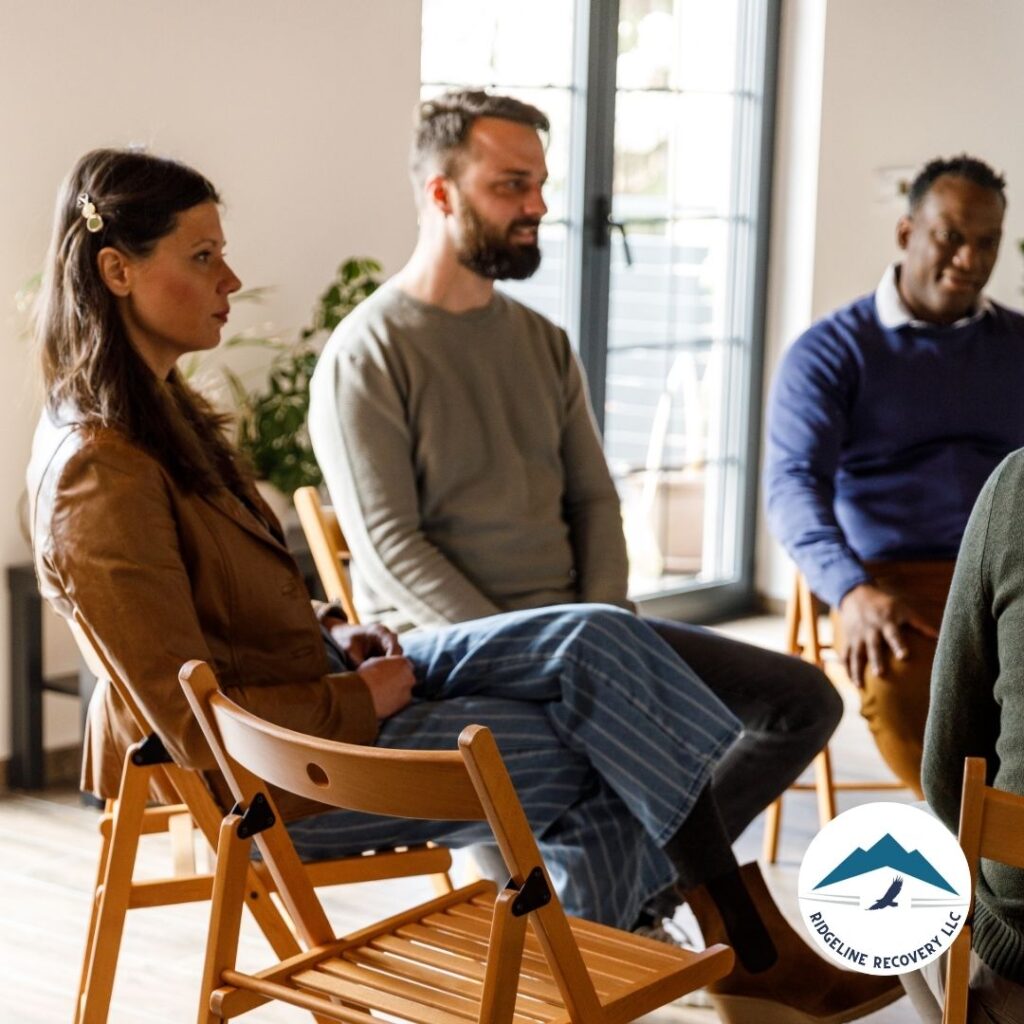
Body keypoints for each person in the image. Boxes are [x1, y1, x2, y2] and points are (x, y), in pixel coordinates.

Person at [27, 148, 897, 1024]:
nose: (232, 277)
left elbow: (233, 601)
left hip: (332, 683)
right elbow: (192, 721)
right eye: (204, 255)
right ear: (119, 271)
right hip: (290, 772)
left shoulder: (159, 412)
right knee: (598, 752)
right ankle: (712, 950)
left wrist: (336, 630)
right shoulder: (99, 470)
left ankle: (706, 952)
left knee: (593, 633)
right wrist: (356, 698)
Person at [309, 92, 899, 1021]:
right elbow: (392, 549)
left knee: (803, 700)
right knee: (610, 725)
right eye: (512, 184)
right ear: (440, 192)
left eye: (540, 183)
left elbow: (594, 498)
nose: (537, 204)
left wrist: (607, 617)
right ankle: (729, 937)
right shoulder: (368, 353)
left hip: (589, 634)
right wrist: (551, 644)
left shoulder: (540, 342)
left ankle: (631, 906)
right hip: (460, 652)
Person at [764, 154, 1024, 797]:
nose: (969, 259)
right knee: (930, 722)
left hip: (1012, 566)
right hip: (896, 582)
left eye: (987, 242)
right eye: (952, 237)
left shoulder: (1017, 344)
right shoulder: (831, 352)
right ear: (907, 233)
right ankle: (992, 870)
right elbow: (792, 486)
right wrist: (849, 591)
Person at [897, 449, 1024, 1023]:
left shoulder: (1017, 484)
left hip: (1023, 941)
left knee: (887, 860)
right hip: (888, 575)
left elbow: (946, 769)